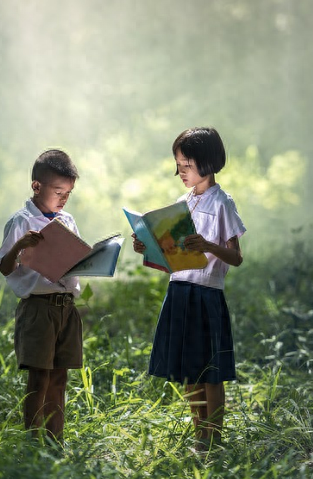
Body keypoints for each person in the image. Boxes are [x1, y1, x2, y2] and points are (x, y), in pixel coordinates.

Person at [132, 127, 245, 452]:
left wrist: (208, 244)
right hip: (179, 291)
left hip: (206, 294)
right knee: (190, 371)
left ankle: (216, 440)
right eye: (177, 165)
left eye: (185, 165)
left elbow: (235, 257)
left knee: (211, 372)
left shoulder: (223, 202)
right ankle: (200, 438)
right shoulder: (182, 204)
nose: (179, 172)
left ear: (206, 163)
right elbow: (170, 257)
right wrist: (148, 247)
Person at [0, 149, 82, 444]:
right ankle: (34, 441)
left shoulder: (67, 221)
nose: (63, 198)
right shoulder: (21, 222)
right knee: (39, 378)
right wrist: (20, 245)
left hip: (66, 307)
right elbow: (4, 267)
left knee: (60, 377)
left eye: (68, 193)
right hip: (38, 309)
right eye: (58, 191)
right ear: (37, 186)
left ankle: (55, 440)